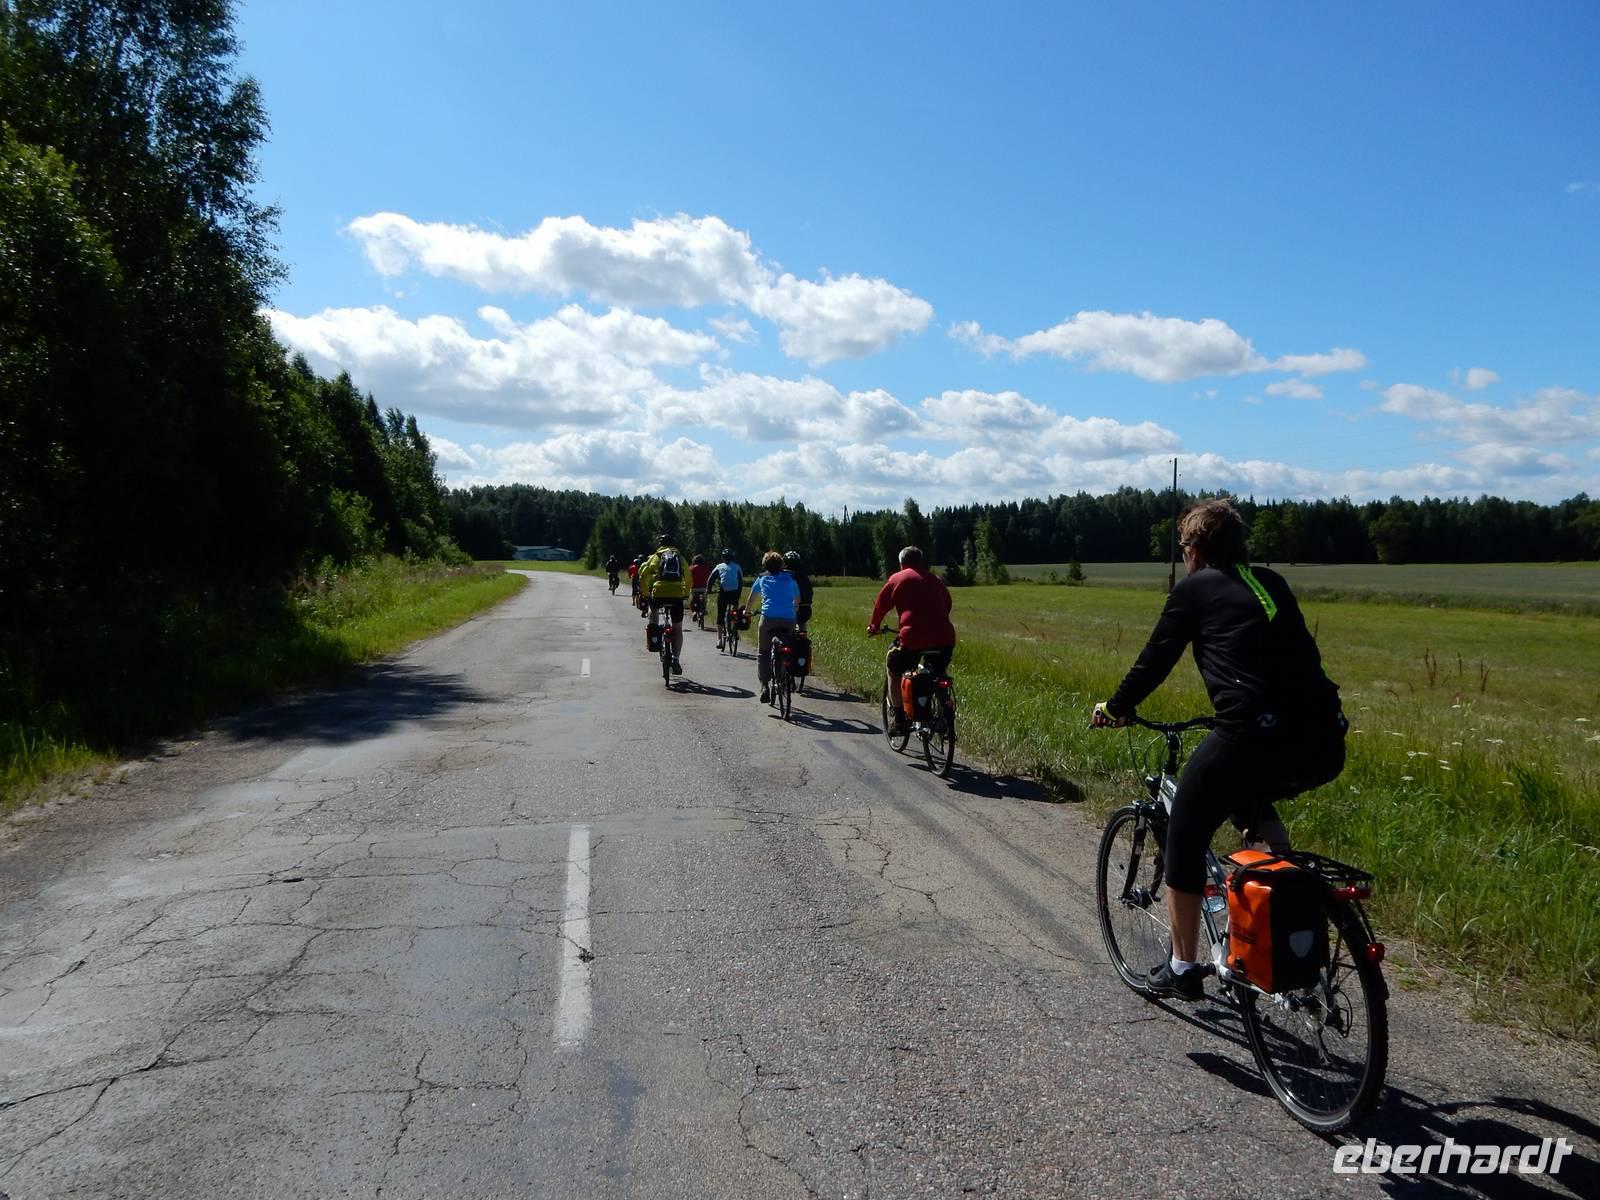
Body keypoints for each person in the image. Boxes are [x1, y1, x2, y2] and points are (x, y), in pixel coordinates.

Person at [1091, 499, 1347, 1002]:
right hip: (1322, 739)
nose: (1184, 555)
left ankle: (1182, 966)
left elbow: (1154, 661)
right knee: (1251, 796)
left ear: (1195, 549)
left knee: (1184, 833)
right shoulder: (1269, 582)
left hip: (1252, 732)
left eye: (1184, 546)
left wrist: (1116, 707)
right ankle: (1283, 914)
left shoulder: (1194, 588)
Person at [867, 546, 956, 735]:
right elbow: (947, 604)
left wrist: (874, 626)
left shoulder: (897, 579)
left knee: (893, 668)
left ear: (901, 564)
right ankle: (943, 713)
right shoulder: (936, 580)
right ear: (921, 562)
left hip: (912, 638)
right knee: (938, 672)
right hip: (945, 638)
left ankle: (900, 721)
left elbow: (881, 606)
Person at [745, 550, 800, 703]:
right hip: (788, 619)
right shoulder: (790, 577)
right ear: (781, 564)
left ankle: (765, 686)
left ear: (765, 565)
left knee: (763, 652)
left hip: (768, 618)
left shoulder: (762, 578)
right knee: (788, 647)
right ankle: (785, 677)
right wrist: (794, 609)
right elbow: (797, 598)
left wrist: (747, 611)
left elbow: (751, 599)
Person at [638, 535, 689, 673]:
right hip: (676, 593)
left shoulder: (656, 556)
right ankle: (676, 660)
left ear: (660, 544)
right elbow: (689, 576)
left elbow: (643, 575)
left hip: (659, 592)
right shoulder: (679, 557)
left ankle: (654, 633)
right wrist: (685, 593)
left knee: (653, 611)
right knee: (677, 628)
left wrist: (646, 594)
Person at [708, 548, 744, 650]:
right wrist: (739, 593)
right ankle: (734, 627)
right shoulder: (737, 567)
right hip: (735, 593)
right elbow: (741, 581)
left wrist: (709, 590)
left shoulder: (719, 566)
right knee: (735, 609)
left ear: (723, 558)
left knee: (721, 614)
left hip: (723, 593)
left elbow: (711, 579)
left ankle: (719, 639)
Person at [784, 550, 813, 631]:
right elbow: (810, 592)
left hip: (791, 609)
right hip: (806, 609)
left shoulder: (786, 576)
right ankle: (803, 635)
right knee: (802, 624)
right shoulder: (804, 576)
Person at [689, 553, 712, 626]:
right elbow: (709, 576)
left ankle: (694, 612)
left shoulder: (692, 568)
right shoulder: (706, 568)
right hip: (704, 588)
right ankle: (704, 609)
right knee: (705, 599)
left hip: (694, 588)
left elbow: (689, 577)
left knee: (692, 600)